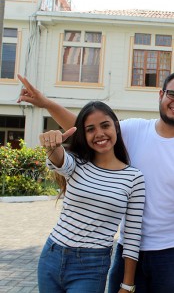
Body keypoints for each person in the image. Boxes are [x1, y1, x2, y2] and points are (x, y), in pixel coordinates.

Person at [17, 72, 174, 293]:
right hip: (128, 249)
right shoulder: (134, 129)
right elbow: (89, 130)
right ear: (161, 95)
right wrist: (45, 103)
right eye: (172, 94)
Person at [37, 101, 145, 293]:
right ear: (83, 135)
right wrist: (52, 145)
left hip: (91, 266)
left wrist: (127, 284)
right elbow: (60, 160)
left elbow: (132, 235)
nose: (99, 134)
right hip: (52, 255)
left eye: (105, 125)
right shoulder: (77, 163)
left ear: (116, 127)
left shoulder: (133, 178)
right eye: (90, 129)